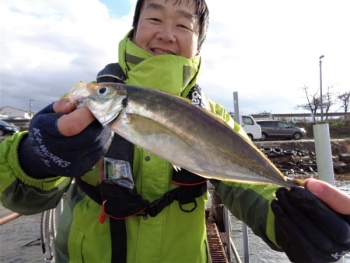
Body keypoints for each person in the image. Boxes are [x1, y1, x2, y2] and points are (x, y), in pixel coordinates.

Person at [0, 0, 350, 262]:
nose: (166, 34)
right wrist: (36, 159)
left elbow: (247, 187)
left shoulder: (213, 117)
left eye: (184, 26)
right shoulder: (90, 99)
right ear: (134, 29)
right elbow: (24, 198)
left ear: (199, 43)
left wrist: (289, 219)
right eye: (154, 18)